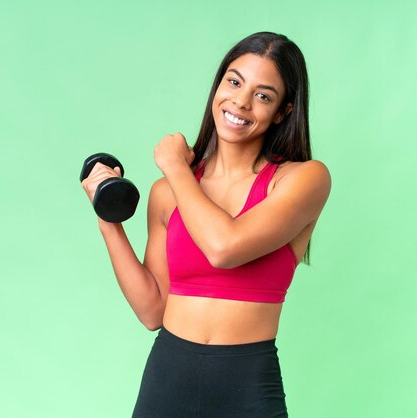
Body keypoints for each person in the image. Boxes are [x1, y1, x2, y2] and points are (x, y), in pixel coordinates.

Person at [81, 31, 331, 418]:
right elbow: (152, 311)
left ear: (283, 111)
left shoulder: (302, 179)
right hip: (166, 378)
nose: (241, 102)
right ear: (218, 86)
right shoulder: (167, 193)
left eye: (263, 95)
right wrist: (107, 220)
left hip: (248, 386)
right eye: (234, 81)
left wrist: (176, 166)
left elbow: (224, 248)